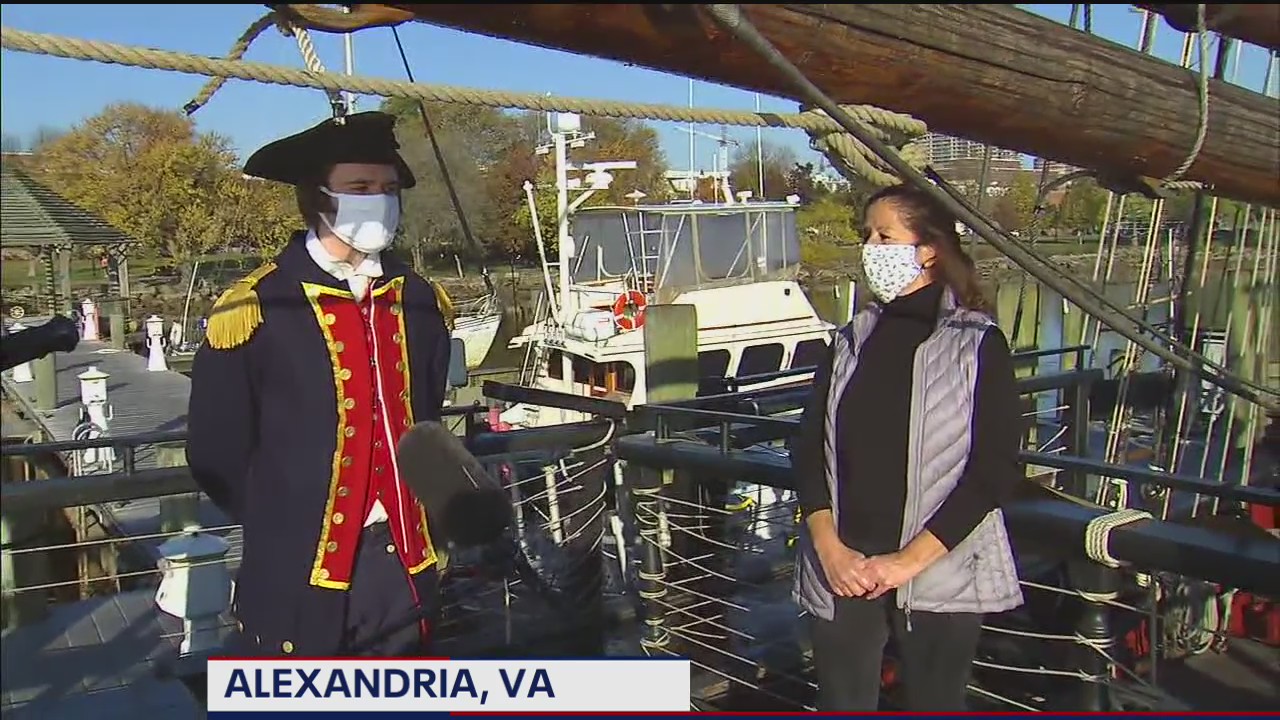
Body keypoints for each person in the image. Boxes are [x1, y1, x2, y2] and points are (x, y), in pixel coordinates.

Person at [186, 111, 458, 658]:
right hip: (299, 562)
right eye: (359, 188)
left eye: (386, 189)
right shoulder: (256, 305)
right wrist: (285, 511)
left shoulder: (421, 300)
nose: (377, 200)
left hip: (405, 556)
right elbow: (216, 451)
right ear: (318, 198)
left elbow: (427, 410)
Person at [791, 183, 1025, 711]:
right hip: (842, 566)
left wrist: (905, 563)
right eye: (867, 236)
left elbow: (993, 469)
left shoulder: (976, 343)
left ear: (927, 250)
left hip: (938, 570)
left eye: (885, 236)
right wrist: (830, 549)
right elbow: (808, 450)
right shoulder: (849, 341)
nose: (871, 248)